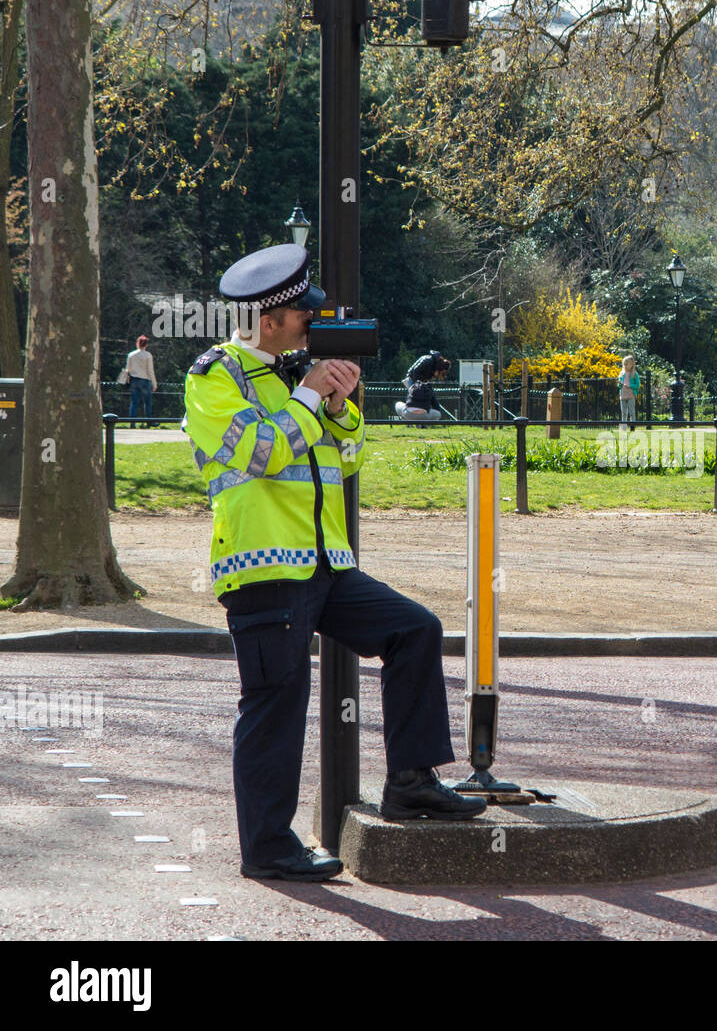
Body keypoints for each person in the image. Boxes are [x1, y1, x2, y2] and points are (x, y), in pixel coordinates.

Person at [183, 243, 485, 883]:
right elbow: (262, 454)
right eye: (304, 315)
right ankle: (267, 847)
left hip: (326, 564)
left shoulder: (293, 377)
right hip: (264, 570)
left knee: (415, 629)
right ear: (269, 320)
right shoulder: (214, 376)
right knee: (276, 704)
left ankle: (410, 781)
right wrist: (311, 397)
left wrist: (342, 408)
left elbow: (342, 463)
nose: (314, 326)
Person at [396, 350, 450, 423]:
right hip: (412, 380)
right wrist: (418, 386)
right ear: (439, 368)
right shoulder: (428, 361)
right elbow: (415, 372)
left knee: (417, 401)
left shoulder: (433, 365)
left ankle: (414, 420)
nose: (437, 375)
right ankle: (412, 421)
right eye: (439, 373)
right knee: (415, 399)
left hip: (419, 381)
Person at [125, 335, 157, 428]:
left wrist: (127, 381)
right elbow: (150, 371)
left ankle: (132, 423)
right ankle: (148, 422)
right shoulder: (148, 355)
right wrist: (154, 383)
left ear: (138, 343)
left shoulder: (131, 355)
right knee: (147, 403)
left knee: (134, 402)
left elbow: (128, 370)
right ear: (146, 344)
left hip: (134, 380)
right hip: (145, 380)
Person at [618, 354, 640, 429]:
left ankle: (632, 426)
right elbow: (619, 386)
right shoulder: (621, 374)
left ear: (631, 364)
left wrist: (629, 385)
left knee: (631, 411)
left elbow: (637, 385)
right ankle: (623, 427)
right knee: (623, 412)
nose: (625, 366)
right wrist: (619, 384)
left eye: (627, 364)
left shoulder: (634, 374)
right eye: (624, 364)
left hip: (631, 394)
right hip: (623, 394)